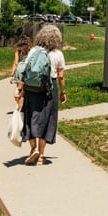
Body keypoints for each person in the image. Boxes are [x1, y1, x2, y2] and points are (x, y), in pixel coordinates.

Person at [22, 24, 67, 165]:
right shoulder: (58, 54)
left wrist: (21, 89)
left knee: (31, 116)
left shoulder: (33, 51)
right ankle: (41, 155)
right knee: (46, 119)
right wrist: (63, 92)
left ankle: (33, 148)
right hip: (49, 88)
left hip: (32, 89)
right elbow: (60, 75)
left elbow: (25, 69)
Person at [9, 34, 32, 111]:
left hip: (19, 69)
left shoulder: (18, 49)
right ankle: (25, 106)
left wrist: (12, 74)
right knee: (26, 90)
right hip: (27, 68)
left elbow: (15, 62)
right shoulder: (30, 49)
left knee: (19, 90)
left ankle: (20, 106)